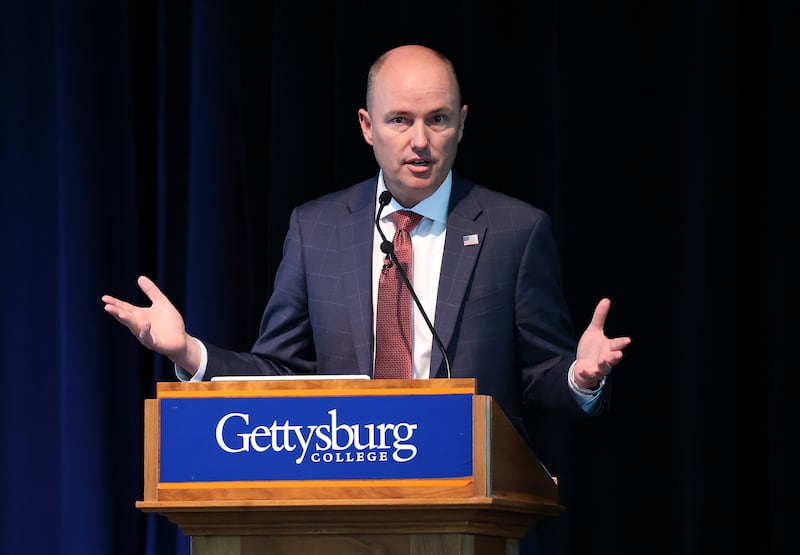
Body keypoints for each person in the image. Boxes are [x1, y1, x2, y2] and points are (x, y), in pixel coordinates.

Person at [103, 43, 631, 553]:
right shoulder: (317, 228)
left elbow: (542, 377)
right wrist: (188, 353)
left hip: (471, 519)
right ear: (366, 126)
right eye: (400, 119)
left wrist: (578, 379)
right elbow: (279, 370)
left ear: (462, 124)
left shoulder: (516, 230)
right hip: (337, 515)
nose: (420, 140)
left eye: (438, 119)